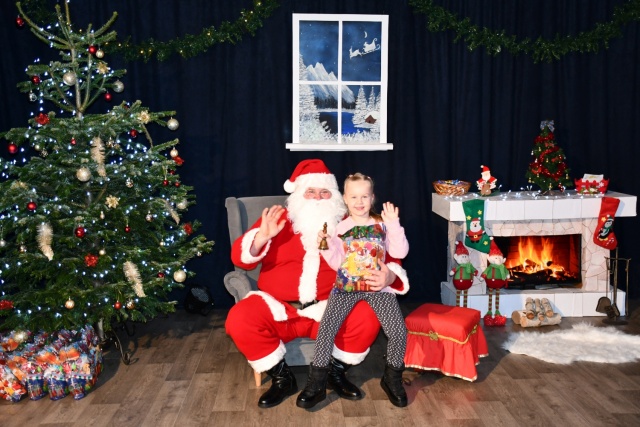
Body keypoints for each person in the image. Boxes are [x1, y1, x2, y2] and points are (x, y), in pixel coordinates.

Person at [225, 160, 409, 408]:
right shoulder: (278, 218)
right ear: (299, 194)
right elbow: (240, 259)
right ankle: (281, 377)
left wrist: (389, 277)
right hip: (278, 309)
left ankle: (335, 372)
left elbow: (390, 255)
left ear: (337, 197)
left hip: (330, 308)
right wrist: (262, 237)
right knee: (239, 318)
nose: (318, 198)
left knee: (367, 316)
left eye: (325, 192)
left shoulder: (350, 221)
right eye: (311, 191)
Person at [296, 173, 410, 409]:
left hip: (378, 287)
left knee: (398, 331)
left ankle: (392, 378)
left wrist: (394, 225)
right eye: (354, 197)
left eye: (364, 196)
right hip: (346, 287)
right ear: (345, 199)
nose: (359, 202)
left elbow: (400, 252)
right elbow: (337, 263)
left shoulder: (382, 224)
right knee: (326, 329)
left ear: (372, 198)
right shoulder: (340, 228)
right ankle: (317, 384)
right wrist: (326, 246)